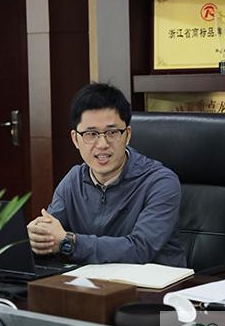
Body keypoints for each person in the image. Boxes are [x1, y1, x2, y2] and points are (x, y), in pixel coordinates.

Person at [27, 82, 186, 266]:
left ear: (127, 135)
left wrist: (69, 243)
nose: (102, 144)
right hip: (92, 281)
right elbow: (52, 233)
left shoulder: (161, 182)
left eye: (112, 132)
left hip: (154, 283)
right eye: (91, 134)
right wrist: (38, 238)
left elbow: (140, 249)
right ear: (75, 139)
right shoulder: (73, 180)